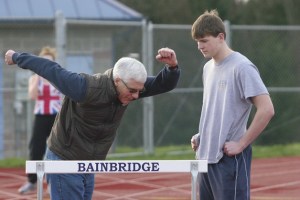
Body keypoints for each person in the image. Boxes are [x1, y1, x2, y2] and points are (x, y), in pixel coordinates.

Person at [5, 47, 180, 199]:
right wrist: (16, 57)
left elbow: (161, 84)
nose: (136, 96)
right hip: (65, 160)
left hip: (88, 163)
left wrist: (172, 68)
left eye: (139, 91)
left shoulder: (131, 85)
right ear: (117, 80)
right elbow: (50, 69)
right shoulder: (85, 87)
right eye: (133, 91)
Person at [190, 10, 275, 200]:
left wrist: (241, 143)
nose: (199, 46)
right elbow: (218, 110)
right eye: (197, 41)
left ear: (221, 37)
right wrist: (203, 135)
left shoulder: (242, 67)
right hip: (205, 159)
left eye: (204, 40)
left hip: (229, 160)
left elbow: (267, 109)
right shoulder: (207, 68)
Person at [18, 46, 62, 194]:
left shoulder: (58, 76)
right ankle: (32, 181)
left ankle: (54, 183)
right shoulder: (34, 78)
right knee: (36, 148)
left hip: (56, 116)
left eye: (50, 61)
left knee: (56, 149)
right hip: (41, 115)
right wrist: (38, 74)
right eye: (44, 61)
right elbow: (32, 95)